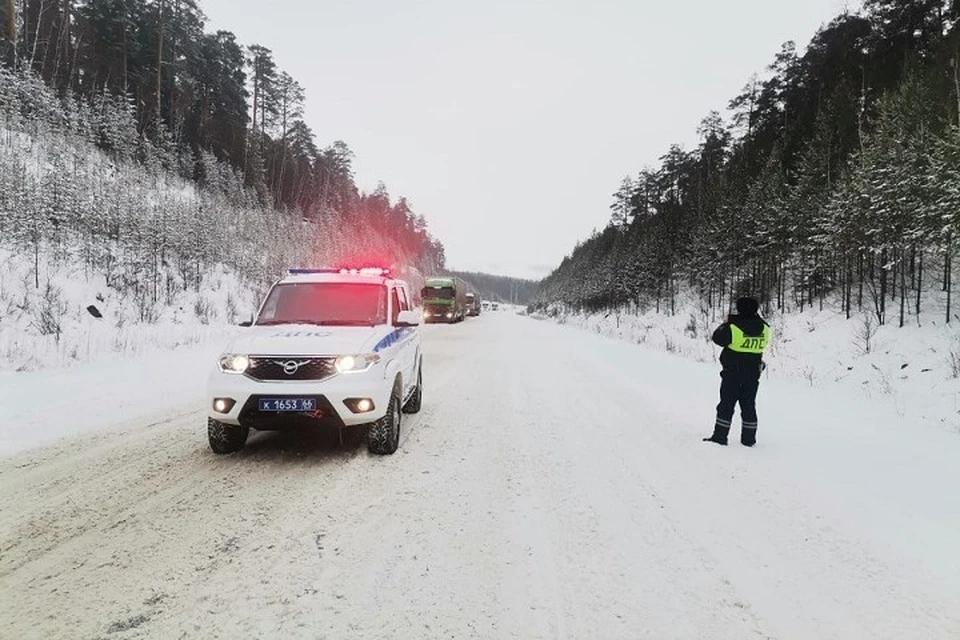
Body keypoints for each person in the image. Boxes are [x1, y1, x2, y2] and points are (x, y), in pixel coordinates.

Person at [703, 296, 771, 447]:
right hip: (753, 373)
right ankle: (749, 440)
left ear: (739, 309)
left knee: (726, 405)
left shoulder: (733, 327)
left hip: (733, 372)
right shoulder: (765, 327)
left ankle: (720, 436)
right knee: (749, 406)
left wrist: (728, 322)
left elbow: (717, 338)